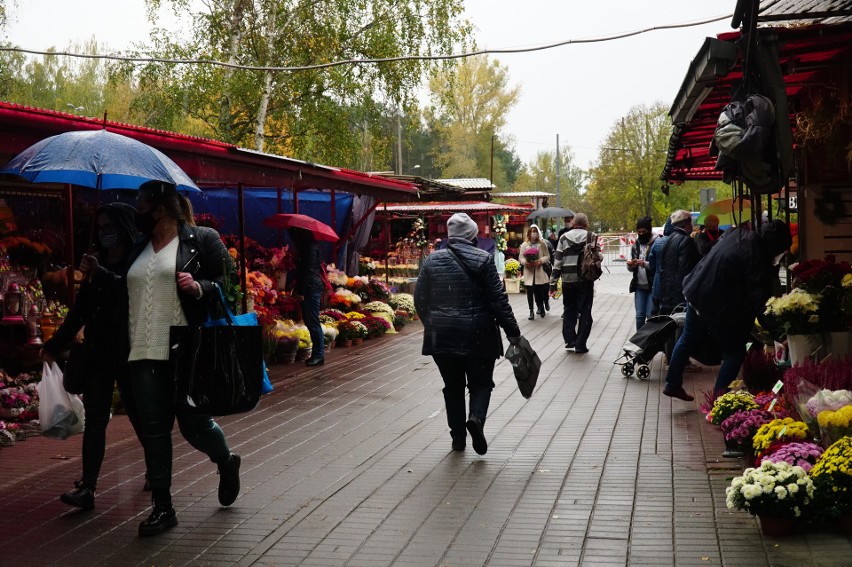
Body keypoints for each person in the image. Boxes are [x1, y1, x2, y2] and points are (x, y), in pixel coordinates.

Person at [95, 180, 241, 537]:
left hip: (185, 350)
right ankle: (163, 507)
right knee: (154, 431)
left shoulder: (202, 239)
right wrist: (99, 275)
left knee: (195, 426)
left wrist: (201, 287)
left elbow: (233, 287)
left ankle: (226, 460)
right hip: (142, 351)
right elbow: (128, 290)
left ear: (160, 209)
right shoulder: (138, 247)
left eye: (141, 206)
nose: (136, 213)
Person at [40, 203, 140, 510]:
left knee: (140, 415)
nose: (105, 233)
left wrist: (104, 274)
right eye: (101, 228)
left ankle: (157, 472)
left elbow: (131, 292)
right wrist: (54, 345)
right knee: (95, 421)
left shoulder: (136, 260)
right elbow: (79, 311)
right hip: (97, 353)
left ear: (124, 227)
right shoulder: (94, 262)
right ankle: (88, 486)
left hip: (128, 351)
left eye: (110, 227)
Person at [414, 213, 522, 455]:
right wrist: (513, 333)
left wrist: (432, 322)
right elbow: (499, 301)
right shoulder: (484, 260)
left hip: (441, 336)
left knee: (452, 386)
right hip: (478, 334)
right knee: (481, 383)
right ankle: (476, 419)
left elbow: (419, 299)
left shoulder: (432, 261)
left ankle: (458, 438)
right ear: (473, 235)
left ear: (450, 236)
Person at [663, 220, 792, 401]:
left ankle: (672, 383)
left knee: (688, 337)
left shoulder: (737, 233)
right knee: (735, 353)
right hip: (715, 302)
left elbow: (710, 254)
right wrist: (780, 333)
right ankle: (719, 399)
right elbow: (759, 300)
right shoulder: (756, 256)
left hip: (696, 289)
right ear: (775, 245)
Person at [549, 212, 599, 354]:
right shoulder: (592, 237)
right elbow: (597, 258)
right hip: (586, 280)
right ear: (586, 224)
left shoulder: (564, 238)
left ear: (573, 223)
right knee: (585, 311)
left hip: (568, 280)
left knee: (569, 310)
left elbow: (557, 262)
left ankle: (570, 340)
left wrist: (553, 283)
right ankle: (580, 344)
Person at [288, 227, 329, 367]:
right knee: (311, 321)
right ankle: (317, 354)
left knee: (312, 322)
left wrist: (301, 292)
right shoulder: (311, 247)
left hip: (311, 288)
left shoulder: (309, 249)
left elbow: (308, 271)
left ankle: (318, 355)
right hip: (311, 286)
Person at [655, 210, 700, 316]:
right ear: (687, 224)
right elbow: (686, 270)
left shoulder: (670, 239)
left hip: (668, 293)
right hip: (680, 295)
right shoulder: (686, 240)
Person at [627, 216, 657, 331]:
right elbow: (631, 269)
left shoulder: (656, 243)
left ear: (649, 231)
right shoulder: (636, 245)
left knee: (650, 315)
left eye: (643, 232)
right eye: (638, 232)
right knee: (639, 315)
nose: (641, 234)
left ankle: (650, 341)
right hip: (639, 286)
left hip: (652, 285)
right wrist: (631, 265)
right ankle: (638, 342)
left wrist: (644, 264)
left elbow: (657, 266)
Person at [519, 225, 550, 320]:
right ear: (529, 233)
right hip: (529, 272)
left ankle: (541, 306)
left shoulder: (542, 244)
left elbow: (547, 256)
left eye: (535, 232)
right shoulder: (524, 245)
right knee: (529, 293)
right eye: (532, 232)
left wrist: (540, 261)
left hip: (539, 271)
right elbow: (521, 257)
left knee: (539, 291)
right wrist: (526, 262)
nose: (534, 234)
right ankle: (531, 311)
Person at [647, 217, 673, 315]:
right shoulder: (682, 240)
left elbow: (652, 263)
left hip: (657, 284)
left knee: (657, 314)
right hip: (673, 290)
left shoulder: (657, 242)